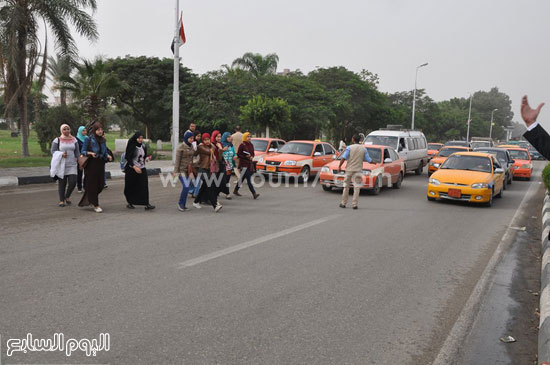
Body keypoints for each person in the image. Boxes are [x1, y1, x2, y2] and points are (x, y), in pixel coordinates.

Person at [78, 123, 113, 213]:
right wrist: (90, 153)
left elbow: (104, 151)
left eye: (101, 129)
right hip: (91, 164)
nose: (100, 131)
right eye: (98, 130)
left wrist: (108, 155)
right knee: (93, 185)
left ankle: (90, 197)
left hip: (100, 164)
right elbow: (83, 151)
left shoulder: (103, 140)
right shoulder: (88, 139)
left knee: (101, 185)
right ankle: (96, 204)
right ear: (94, 130)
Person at [338, 134, 372, 209]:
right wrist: (374, 162)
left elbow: (343, 158)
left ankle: (343, 203)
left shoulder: (349, 148)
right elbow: (369, 160)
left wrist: (339, 166)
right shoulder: (364, 149)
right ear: (359, 140)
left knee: (346, 186)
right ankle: (355, 204)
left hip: (349, 169)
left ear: (353, 139)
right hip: (358, 170)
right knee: (356, 187)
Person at [124, 131, 155, 210]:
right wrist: (134, 167)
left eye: (141, 138)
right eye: (139, 138)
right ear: (135, 138)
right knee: (131, 186)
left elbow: (143, 156)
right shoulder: (132, 146)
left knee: (144, 186)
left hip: (142, 168)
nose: (140, 139)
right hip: (132, 169)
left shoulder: (143, 146)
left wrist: (146, 159)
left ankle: (146, 203)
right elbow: (128, 157)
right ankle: (130, 202)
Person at [51, 124, 80, 207]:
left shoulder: (74, 140)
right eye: (64, 129)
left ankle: (67, 196)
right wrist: (61, 154)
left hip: (72, 164)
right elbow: (53, 151)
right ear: (61, 131)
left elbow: (77, 152)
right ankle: (61, 200)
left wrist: (79, 160)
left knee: (73, 182)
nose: (66, 131)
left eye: (68, 129)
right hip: (61, 164)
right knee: (62, 183)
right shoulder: (57, 140)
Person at [193, 133, 223, 212]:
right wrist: (215, 146)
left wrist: (216, 147)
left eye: (208, 139)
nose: (207, 141)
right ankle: (215, 205)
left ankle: (196, 202)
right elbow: (209, 152)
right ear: (203, 140)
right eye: (205, 140)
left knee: (204, 187)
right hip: (202, 169)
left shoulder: (211, 146)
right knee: (210, 186)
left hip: (209, 170)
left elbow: (214, 151)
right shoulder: (201, 147)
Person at [173, 131, 197, 211]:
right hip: (181, 171)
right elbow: (177, 161)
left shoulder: (192, 147)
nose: (191, 140)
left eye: (192, 138)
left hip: (189, 171)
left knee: (187, 187)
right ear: (186, 138)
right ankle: (180, 204)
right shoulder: (181, 147)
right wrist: (175, 172)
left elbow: (193, 158)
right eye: (190, 138)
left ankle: (183, 204)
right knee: (186, 186)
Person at [234, 132, 260, 199]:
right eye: (248, 136)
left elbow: (253, 153)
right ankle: (254, 193)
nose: (249, 138)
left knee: (242, 178)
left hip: (249, 163)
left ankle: (235, 190)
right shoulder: (242, 145)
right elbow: (239, 154)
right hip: (244, 164)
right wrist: (246, 156)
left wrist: (251, 156)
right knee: (248, 179)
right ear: (245, 137)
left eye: (250, 136)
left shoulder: (251, 145)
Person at [211, 130, 231, 199]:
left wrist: (221, 149)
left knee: (222, 181)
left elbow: (220, 157)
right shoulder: (212, 144)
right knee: (215, 182)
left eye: (220, 137)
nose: (219, 138)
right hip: (214, 166)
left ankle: (215, 196)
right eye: (217, 137)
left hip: (221, 164)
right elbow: (216, 157)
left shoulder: (220, 144)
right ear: (214, 137)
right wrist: (221, 149)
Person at [222, 132, 236, 197]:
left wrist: (235, 156)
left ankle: (226, 193)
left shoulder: (231, 145)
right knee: (223, 180)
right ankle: (227, 193)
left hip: (229, 165)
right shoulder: (221, 145)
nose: (230, 138)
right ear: (225, 137)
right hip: (223, 165)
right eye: (228, 137)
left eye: (230, 136)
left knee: (227, 180)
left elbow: (234, 153)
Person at [189, 131, 202, 198]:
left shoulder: (199, 143)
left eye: (200, 136)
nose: (199, 137)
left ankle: (194, 192)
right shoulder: (193, 143)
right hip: (193, 163)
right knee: (193, 178)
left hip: (199, 163)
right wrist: (198, 147)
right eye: (198, 136)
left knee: (197, 179)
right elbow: (193, 153)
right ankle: (193, 191)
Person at [75, 125, 87, 193]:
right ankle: (79, 186)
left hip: (87, 157)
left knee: (87, 172)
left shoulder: (87, 138)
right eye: (83, 130)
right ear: (80, 131)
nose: (85, 132)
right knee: (80, 172)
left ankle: (85, 186)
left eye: (85, 130)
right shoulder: (76, 139)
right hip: (80, 158)